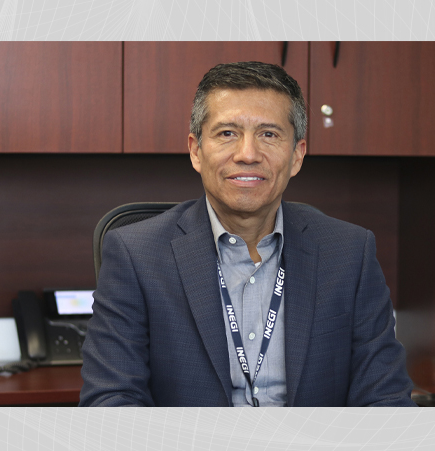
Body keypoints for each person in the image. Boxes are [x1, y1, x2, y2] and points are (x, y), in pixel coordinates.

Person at [79, 61, 415, 407]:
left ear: (297, 155)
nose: (248, 155)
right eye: (227, 133)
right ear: (196, 150)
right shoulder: (136, 255)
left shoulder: (349, 253)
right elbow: (111, 400)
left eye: (269, 134)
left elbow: (385, 398)